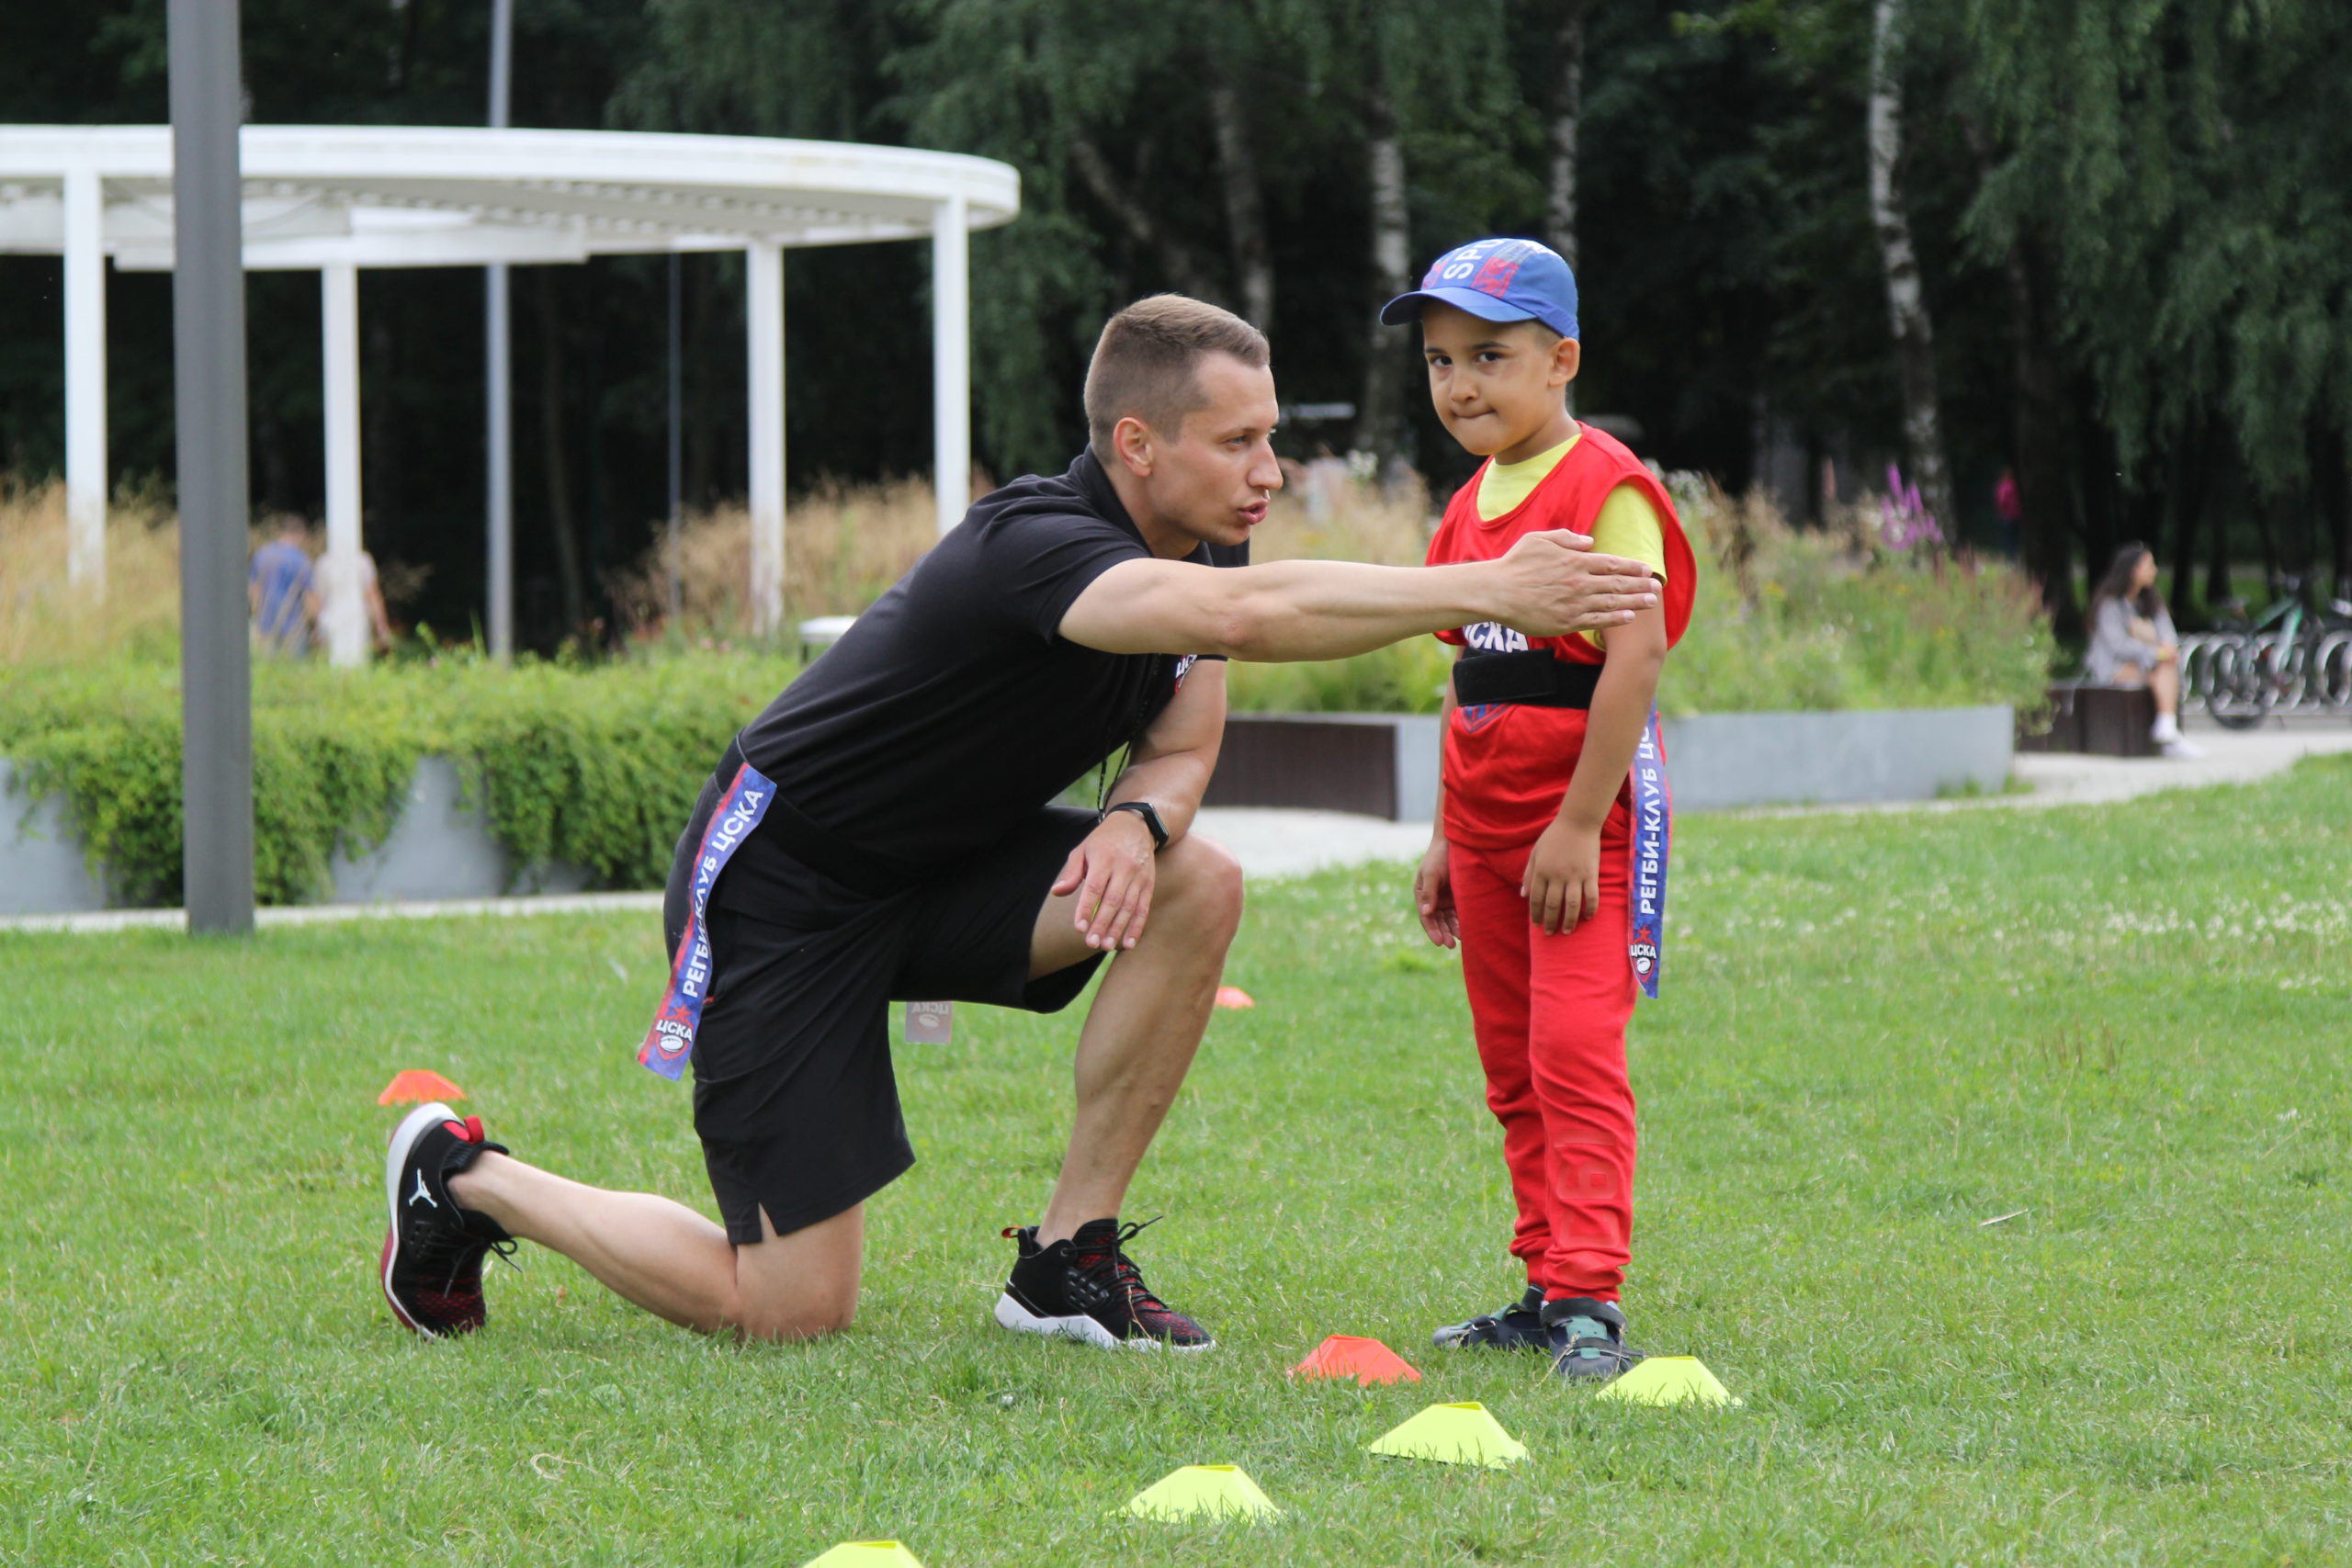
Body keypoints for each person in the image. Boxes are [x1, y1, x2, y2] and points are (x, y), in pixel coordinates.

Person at [377, 294, 1662, 1348]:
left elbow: (1186, 732)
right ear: (1140, 443)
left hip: (941, 872)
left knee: (1199, 881)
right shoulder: (1039, 543)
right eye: (1240, 443)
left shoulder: (1207, 546)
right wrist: (1487, 581)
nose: (1271, 472)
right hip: (788, 881)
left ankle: (1063, 1262)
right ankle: (466, 1175)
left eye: (1273, 438)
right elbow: (1240, 623)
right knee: (788, 1309)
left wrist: (1138, 826)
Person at [1389, 238, 1696, 1382]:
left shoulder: (1603, 486)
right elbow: (1468, 679)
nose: (1458, 384)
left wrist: (1574, 823)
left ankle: (1589, 1301)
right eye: (1437, 361)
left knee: (1573, 1053)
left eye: (1487, 355)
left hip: (1583, 834)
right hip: (1481, 835)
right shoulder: (1466, 506)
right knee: (1512, 1066)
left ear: (1560, 359)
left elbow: (1633, 661)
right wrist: (1439, 833)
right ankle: (1539, 1283)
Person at [2085, 541, 2204, 759]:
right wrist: (2157, 653)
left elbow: (2168, 633)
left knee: (2166, 667)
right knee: (2164, 668)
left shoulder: (2151, 601)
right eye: (2148, 566)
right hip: (2113, 668)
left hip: (2148, 666)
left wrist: (2167, 649)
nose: (2154, 571)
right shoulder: (2110, 604)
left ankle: (2167, 730)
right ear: (2131, 570)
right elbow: (2118, 646)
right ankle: (2168, 734)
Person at [248, 515, 316, 656]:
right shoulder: (301, 559)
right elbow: (311, 598)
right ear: (300, 534)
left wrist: (256, 616)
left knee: (268, 668)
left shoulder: (261, 555)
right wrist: (313, 625)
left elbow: (254, 591)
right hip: (293, 628)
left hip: (265, 624)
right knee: (293, 672)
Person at [313, 544, 395, 660]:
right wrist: (382, 629)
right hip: (359, 620)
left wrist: (317, 628)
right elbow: (372, 595)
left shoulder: (324, 562)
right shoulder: (362, 560)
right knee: (358, 661)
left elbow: (318, 599)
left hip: (329, 621)